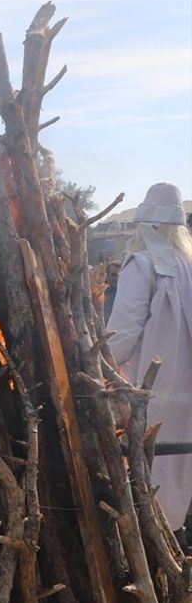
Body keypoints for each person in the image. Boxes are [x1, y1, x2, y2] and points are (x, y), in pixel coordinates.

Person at [107, 182, 192, 529]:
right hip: (186, 391)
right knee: (180, 469)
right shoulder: (189, 266)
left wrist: (99, 368)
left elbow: (122, 333)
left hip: (152, 391)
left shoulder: (142, 265)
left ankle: (159, 545)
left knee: (151, 472)